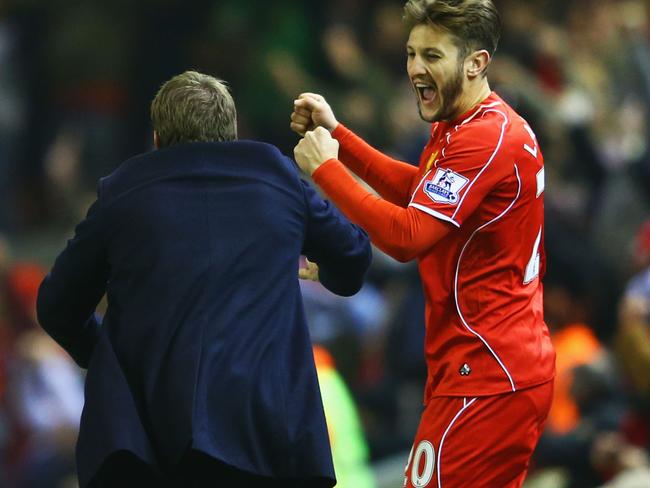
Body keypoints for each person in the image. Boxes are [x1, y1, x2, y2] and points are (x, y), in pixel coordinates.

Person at [36, 70, 372, 488]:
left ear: (157, 139)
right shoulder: (276, 176)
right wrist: (332, 273)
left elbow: (56, 306)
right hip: (267, 436)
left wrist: (109, 356)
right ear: (231, 134)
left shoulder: (123, 191)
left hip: (147, 444)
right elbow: (354, 258)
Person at [290, 1, 555, 486]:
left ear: (476, 63)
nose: (415, 68)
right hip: (489, 366)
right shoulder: (470, 125)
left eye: (432, 55)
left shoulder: (485, 138)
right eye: (411, 53)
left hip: (487, 374)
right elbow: (422, 189)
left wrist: (325, 169)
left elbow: (407, 236)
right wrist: (339, 137)